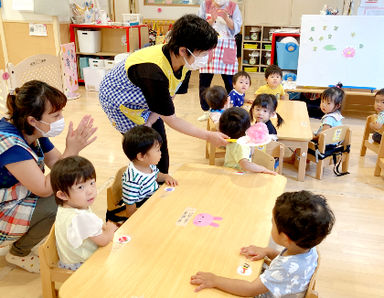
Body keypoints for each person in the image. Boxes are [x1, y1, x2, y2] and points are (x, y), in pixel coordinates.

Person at [98, 14, 228, 175]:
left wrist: (150, 122)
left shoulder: (184, 62)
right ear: (183, 50)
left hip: (147, 95)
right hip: (119, 99)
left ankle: (160, 180)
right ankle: (143, 187)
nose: (207, 58)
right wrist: (208, 136)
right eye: (203, 53)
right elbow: (172, 120)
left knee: (159, 144)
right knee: (145, 150)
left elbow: (169, 95)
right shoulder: (154, 72)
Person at [0, 80, 97, 273]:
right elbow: (44, 187)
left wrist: (73, 150)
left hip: (19, 194)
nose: (61, 119)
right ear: (32, 119)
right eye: (56, 115)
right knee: (59, 202)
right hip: (4, 205)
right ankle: (19, 252)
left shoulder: (34, 129)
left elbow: (57, 165)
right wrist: (72, 149)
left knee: (72, 189)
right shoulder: (10, 142)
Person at [191, 190, 335, 297]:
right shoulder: (308, 247)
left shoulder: (284, 268)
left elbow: (249, 289)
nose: (271, 225)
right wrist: (268, 252)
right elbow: (290, 262)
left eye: (272, 224)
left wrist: (216, 280)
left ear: (285, 239)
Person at [51, 156, 118, 271]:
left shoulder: (65, 207)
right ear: (63, 195)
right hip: (81, 266)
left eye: (92, 183)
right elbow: (103, 241)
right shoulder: (80, 217)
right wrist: (110, 229)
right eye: (80, 187)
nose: (90, 191)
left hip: (69, 261)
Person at [197, 0, 242, 121]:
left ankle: (231, 110)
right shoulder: (205, 5)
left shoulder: (233, 6)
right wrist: (212, 19)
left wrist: (227, 18)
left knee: (230, 82)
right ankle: (206, 110)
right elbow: (199, 27)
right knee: (204, 82)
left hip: (227, 47)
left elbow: (237, 28)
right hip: (209, 45)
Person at [121, 126, 178, 218]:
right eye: (157, 150)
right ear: (141, 156)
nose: (160, 153)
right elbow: (130, 208)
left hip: (154, 200)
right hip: (144, 209)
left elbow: (156, 175)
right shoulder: (132, 180)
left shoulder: (148, 164)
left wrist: (166, 176)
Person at [219, 107, 276, 175]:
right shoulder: (241, 145)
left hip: (228, 170)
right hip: (237, 174)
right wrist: (263, 169)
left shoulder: (231, 139)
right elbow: (245, 165)